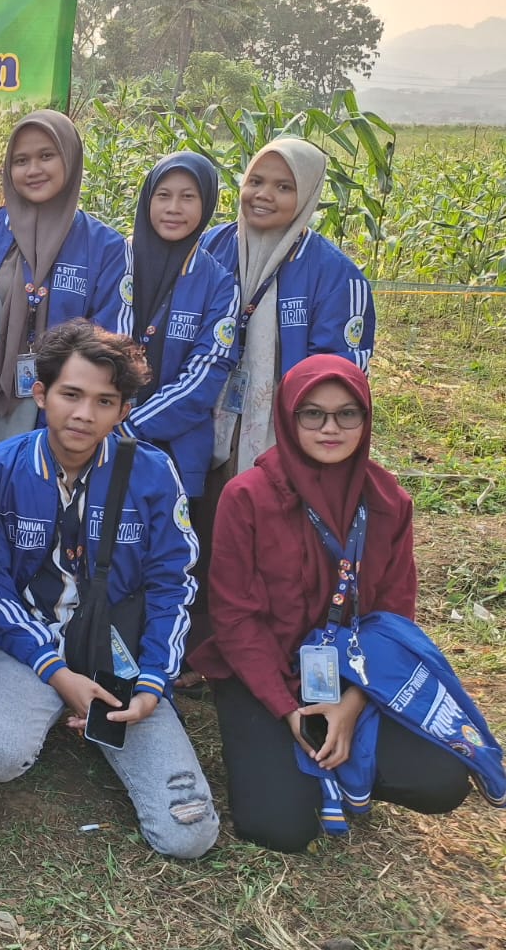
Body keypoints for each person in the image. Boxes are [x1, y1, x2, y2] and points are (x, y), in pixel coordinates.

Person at [189, 356, 474, 851]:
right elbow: (235, 618)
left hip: (353, 674)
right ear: (288, 416)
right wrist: (289, 709)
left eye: (347, 414)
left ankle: (343, 759)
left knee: (442, 782)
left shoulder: (389, 502)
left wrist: (354, 701)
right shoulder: (248, 496)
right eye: (313, 414)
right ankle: (306, 761)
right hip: (262, 674)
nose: (330, 428)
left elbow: (393, 616)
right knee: (280, 827)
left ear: (366, 418)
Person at [0, 319, 219, 860]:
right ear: (41, 394)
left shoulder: (153, 473)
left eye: (105, 401)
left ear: (123, 410)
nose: (84, 414)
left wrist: (152, 681)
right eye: (71, 395)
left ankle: (105, 717)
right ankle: (59, 702)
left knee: (189, 834)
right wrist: (57, 673)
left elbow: (172, 584)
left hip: (119, 654)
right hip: (31, 648)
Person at [201, 137, 376, 484]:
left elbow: (340, 378)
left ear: (308, 194)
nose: (263, 195)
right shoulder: (211, 247)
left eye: (284, 187)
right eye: (255, 181)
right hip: (203, 426)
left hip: (284, 442)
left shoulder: (335, 274)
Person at [0, 110, 128, 444]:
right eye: (21, 160)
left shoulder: (105, 247)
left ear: (69, 158)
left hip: (58, 416)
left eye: (46, 156)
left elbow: (109, 340)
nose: (33, 170)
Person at [119, 152, 240, 502]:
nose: (173, 208)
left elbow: (205, 374)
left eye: (188, 197)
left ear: (207, 203)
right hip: (96, 438)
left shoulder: (219, 283)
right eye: (163, 195)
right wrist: (103, 416)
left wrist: (131, 425)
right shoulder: (116, 259)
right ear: (148, 198)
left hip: (173, 449)